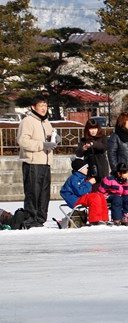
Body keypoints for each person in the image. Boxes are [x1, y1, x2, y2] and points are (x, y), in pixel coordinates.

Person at [17, 95, 58, 228]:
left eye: (45, 105)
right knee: (32, 192)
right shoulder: (28, 121)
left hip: (46, 162)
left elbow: (49, 138)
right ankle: (30, 219)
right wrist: (42, 145)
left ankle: (40, 219)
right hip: (32, 162)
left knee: (44, 193)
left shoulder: (46, 122)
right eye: (41, 105)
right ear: (33, 107)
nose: (43, 108)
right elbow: (23, 141)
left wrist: (56, 139)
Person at [60, 158, 109, 225]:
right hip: (74, 199)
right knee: (94, 197)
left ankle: (104, 218)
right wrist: (89, 183)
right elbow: (80, 192)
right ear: (80, 169)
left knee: (100, 196)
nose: (87, 169)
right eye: (86, 168)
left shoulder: (82, 177)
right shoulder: (74, 178)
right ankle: (94, 220)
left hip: (80, 197)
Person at [75, 118, 109, 182]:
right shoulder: (83, 140)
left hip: (101, 167)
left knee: (102, 187)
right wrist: (83, 148)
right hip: (89, 166)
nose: (93, 131)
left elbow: (104, 148)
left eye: (95, 128)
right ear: (87, 130)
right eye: (91, 129)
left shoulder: (103, 138)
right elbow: (78, 154)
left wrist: (94, 144)